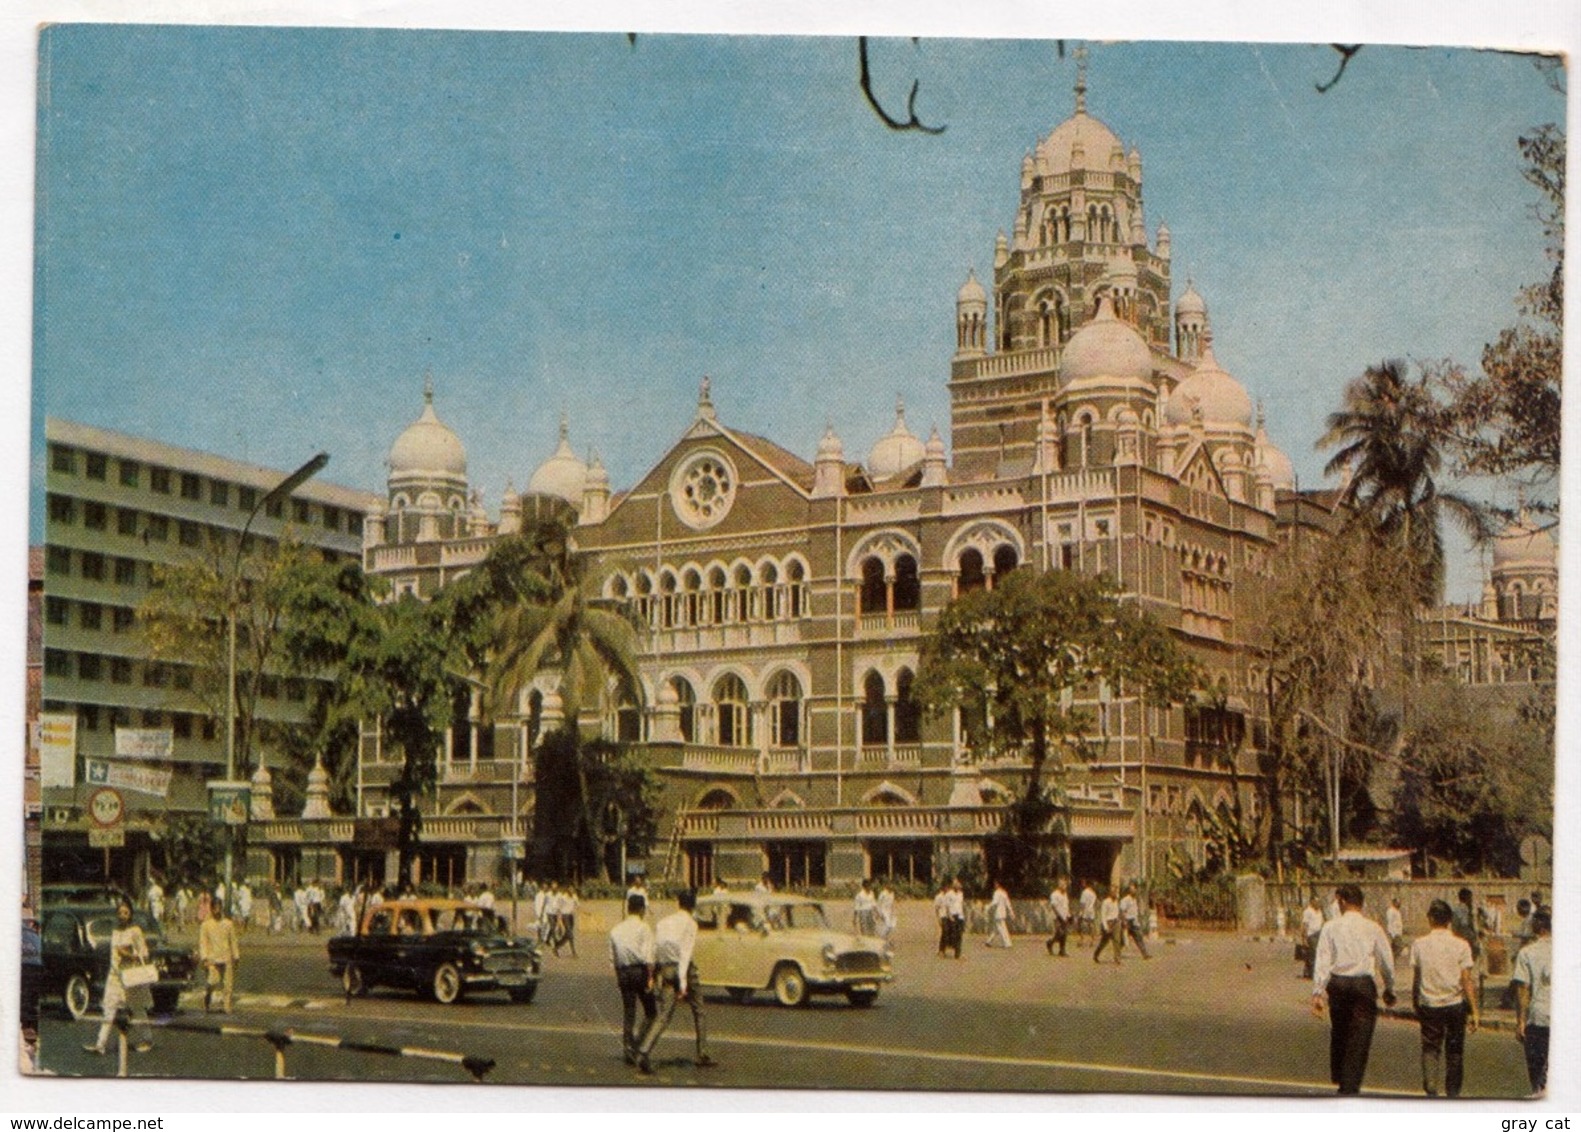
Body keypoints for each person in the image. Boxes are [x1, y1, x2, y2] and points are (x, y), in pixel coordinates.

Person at [1310, 883, 1397, 1096]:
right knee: (1360, 1037)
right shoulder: (1373, 927)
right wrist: (1389, 987)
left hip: (1338, 984)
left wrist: (1318, 991)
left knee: (1340, 1030)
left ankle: (1342, 1077)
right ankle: (1349, 1086)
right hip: (1362, 985)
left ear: (1343, 902)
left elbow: (1323, 959)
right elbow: (1386, 960)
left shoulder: (1331, 927)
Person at [636, 889, 717, 1074]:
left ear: (679, 903)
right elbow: (686, 954)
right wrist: (683, 984)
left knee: (663, 1016)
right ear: (693, 905)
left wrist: (654, 973)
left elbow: (655, 948)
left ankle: (644, 1050)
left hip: (665, 968)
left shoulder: (664, 922)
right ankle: (702, 1053)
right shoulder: (691, 924)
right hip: (683, 969)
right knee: (699, 1009)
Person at [1408, 898, 1478, 1097]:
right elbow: (1467, 980)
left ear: (1430, 919)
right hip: (1455, 1005)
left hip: (1429, 1003)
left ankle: (1431, 1088)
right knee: (1455, 1052)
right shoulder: (1462, 945)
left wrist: (1416, 1001)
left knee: (1431, 1048)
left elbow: (1417, 977)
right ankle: (1452, 1094)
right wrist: (1474, 1010)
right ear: (1450, 920)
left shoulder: (1419, 944)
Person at [85, 898, 155, 1055]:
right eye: (120, 913)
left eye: (126, 913)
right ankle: (100, 1044)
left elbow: (144, 953)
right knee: (109, 1008)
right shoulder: (115, 932)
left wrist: (129, 954)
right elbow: (113, 954)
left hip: (131, 977)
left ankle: (147, 1039)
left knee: (137, 1009)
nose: (123, 915)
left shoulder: (135, 931)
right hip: (115, 976)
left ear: (130, 915)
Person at [608, 893, 657, 1066]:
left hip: (623, 972)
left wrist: (619, 976)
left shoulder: (616, 930)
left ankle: (628, 1046)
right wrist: (651, 978)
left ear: (628, 909)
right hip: (640, 971)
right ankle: (639, 1044)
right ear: (642, 909)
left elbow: (613, 958)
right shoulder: (644, 928)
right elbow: (649, 957)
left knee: (629, 1011)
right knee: (651, 1012)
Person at [1510, 908, 1551, 1096]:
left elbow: (1523, 989)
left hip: (1538, 1017)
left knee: (1537, 1073)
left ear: (1538, 925)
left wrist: (1520, 1022)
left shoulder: (1527, 953)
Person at [199, 900, 241, 1014]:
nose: (217, 911)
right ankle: (207, 998)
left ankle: (227, 1005)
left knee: (228, 985)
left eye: (219, 908)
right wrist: (204, 958)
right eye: (215, 908)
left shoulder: (228, 924)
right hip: (212, 958)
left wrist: (236, 956)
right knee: (213, 981)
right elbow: (203, 942)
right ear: (211, 909)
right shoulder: (206, 925)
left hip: (226, 957)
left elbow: (233, 941)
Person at [1118, 882, 1150, 959]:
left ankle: (1145, 954)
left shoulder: (1135, 900)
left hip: (1134, 921)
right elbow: (1122, 911)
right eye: (1131, 889)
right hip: (1127, 920)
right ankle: (1117, 953)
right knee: (1123, 939)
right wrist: (1124, 921)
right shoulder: (1125, 900)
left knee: (1139, 937)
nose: (1132, 891)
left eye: (1134, 889)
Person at [1093, 885, 1123, 964]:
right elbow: (1103, 915)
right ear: (1110, 893)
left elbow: (1118, 912)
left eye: (1116, 892)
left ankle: (1117, 958)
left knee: (1117, 940)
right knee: (1104, 941)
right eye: (1113, 892)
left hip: (1116, 922)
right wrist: (1106, 927)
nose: (1115, 894)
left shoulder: (1117, 901)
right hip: (1108, 922)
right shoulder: (1106, 902)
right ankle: (1096, 954)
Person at [1301, 896, 1325, 981]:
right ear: (1311, 902)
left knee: (1316, 953)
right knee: (1313, 953)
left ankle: (1307, 971)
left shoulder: (1319, 911)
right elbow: (1305, 925)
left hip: (1319, 933)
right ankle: (1312, 973)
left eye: (1318, 901)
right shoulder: (1307, 911)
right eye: (1316, 901)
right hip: (1311, 934)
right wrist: (1304, 938)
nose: (1318, 903)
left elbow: (1322, 922)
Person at [1045, 878, 1071, 957]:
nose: (1064, 886)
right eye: (1062, 885)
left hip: (1065, 916)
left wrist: (1069, 915)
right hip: (1057, 917)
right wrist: (1059, 916)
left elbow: (1066, 905)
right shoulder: (1054, 894)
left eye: (1065, 885)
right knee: (1060, 933)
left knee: (1064, 934)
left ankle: (1062, 950)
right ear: (1059, 885)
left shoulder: (1065, 894)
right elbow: (1053, 906)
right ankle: (1050, 942)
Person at [986, 881, 1013, 948]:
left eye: (995, 884)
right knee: (996, 928)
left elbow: (995, 902)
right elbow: (1008, 903)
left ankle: (1007, 943)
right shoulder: (1004, 893)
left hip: (998, 913)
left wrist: (988, 906)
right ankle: (989, 941)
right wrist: (1011, 912)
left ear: (998, 885)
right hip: (1003, 913)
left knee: (1001, 928)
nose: (995, 885)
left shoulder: (997, 893)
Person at [943, 878, 966, 958]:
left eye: (958, 884)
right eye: (955, 884)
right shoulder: (949, 894)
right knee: (952, 934)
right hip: (952, 915)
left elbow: (961, 905)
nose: (957, 886)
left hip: (960, 915)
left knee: (959, 934)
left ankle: (958, 953)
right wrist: (949, 915)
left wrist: (963, 916)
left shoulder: (961, 894)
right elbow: (947, 906)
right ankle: (946, 948)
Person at [933, 883, 951, 957]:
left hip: (948, 916)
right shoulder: (939, 897)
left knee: (946, 934)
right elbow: (936, 908)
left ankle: (943, 949)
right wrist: (938, 918)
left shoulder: (948, 896)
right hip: (942, 915)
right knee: (945, 932)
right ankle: (941, 949)